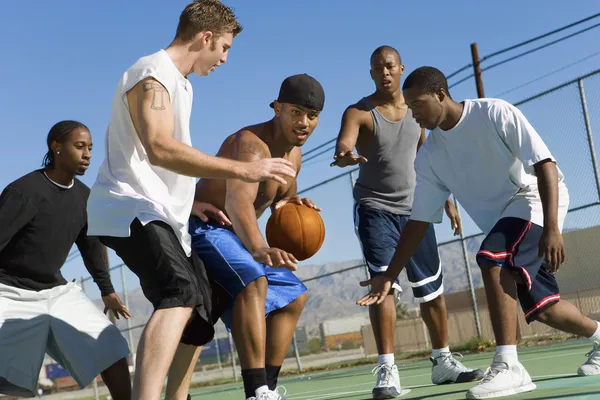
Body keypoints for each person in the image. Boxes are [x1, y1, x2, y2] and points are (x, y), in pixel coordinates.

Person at [86, 2, 297, 399]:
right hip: (128, 206)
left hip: (162, 211)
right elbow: (159, 147)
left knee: (201, 313)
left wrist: (187, 202)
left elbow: (168, 157)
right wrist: (244, 170)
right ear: (205, 38)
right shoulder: (153, 73)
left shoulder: (181, 84)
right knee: (178, 294)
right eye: (225, 47)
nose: (225, 58)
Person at [357, 66, 600, 399]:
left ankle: (509, 367)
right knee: (543, 307)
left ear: (440, 94)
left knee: (491, 257)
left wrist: (553, 228)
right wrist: (389, 274)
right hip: (507, 220)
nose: (413, 114)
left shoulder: (493, 112)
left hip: (534, 200)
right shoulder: (428, 157)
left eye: (417, 105)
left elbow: (545, 163)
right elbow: (418, 222)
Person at [331, 46, 484, 399]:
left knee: (431, 290)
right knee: (383, 286)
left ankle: (443, 362)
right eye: (376, 69)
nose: (383, 73)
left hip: (417, 209)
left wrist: (446, 201)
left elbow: (424, 159)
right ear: (371, 74)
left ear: (401, 68)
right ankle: (387, 369)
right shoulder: (359, 112)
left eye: (389, 66)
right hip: (375, 209)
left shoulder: (417, 113)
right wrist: (345, 155)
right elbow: (345, 141)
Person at [164, 73, 324, 400]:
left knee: (295, 295)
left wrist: (292, 203)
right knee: (254, 279)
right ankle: (256, 391)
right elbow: (238, 203)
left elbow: (279, 196)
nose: (304, 122)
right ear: (277, 108)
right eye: (295, 112)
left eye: (312, 116)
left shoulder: (293, 155)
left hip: (234, 237)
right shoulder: (251, 147)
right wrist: (259, 247)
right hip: (205, 227)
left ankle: (270, 386)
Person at [0, 120, 132, 399]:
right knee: (11, 384)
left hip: (56, 292)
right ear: (56, 147)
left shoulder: (86, 197)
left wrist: (106, 290)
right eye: (79, 146)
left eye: (90, 148)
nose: (87, 154)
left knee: (110, 348)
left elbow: (92, 247)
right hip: (8, 292)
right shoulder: (23, 192)